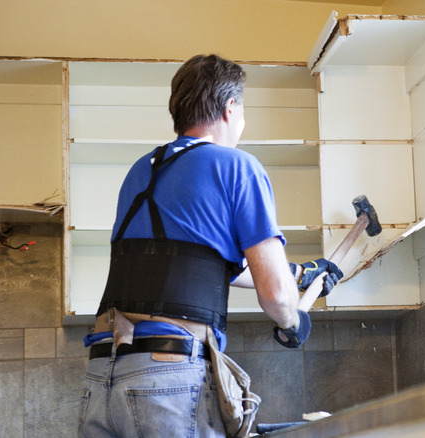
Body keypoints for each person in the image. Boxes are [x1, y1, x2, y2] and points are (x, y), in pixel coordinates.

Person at [78, 54, 343, 438]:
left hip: (103, 375)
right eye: (243, 110)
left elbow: (192, 266)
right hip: (167, 378)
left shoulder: (141, 170)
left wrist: (299, 273)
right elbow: (276, 298)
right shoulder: (237, 166)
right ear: (229, 107)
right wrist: (294, 320)